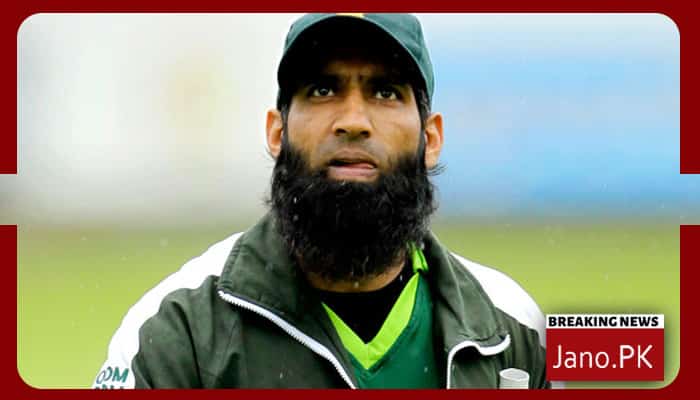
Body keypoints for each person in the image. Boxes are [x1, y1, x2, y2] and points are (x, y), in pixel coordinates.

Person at [93, 13, 550, 389]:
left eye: (385, 92)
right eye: (323, 90)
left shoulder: (514, 328)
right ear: (277, 132)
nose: (353, 121)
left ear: (430, 139)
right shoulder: (180, 330)